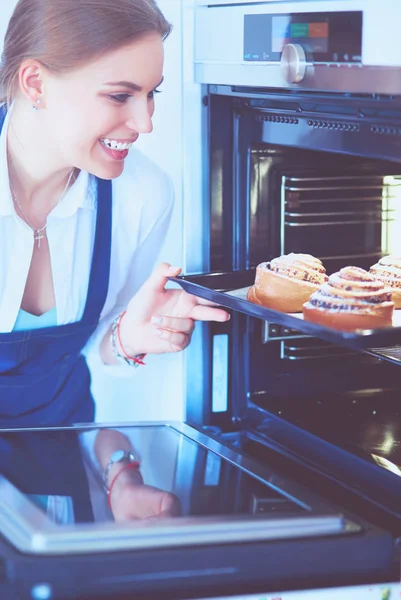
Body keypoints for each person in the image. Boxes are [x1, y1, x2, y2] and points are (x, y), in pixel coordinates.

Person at [0, 0, 229, 521]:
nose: (145, 122)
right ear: (35, 83)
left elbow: (92, 352)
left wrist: (124, 338)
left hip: (59, 482)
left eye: (152, 94)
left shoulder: (143, 195)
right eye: (120, 95)